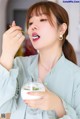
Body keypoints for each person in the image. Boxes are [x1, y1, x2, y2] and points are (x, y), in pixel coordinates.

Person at [0, 1, 80, 119]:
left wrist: (58, 105)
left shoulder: (76, 77)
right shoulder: (19, 65)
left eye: (42, 19)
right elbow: (3, 108)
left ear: (62, 29)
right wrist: (6, 55)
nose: (32, 26)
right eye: (30, 22)